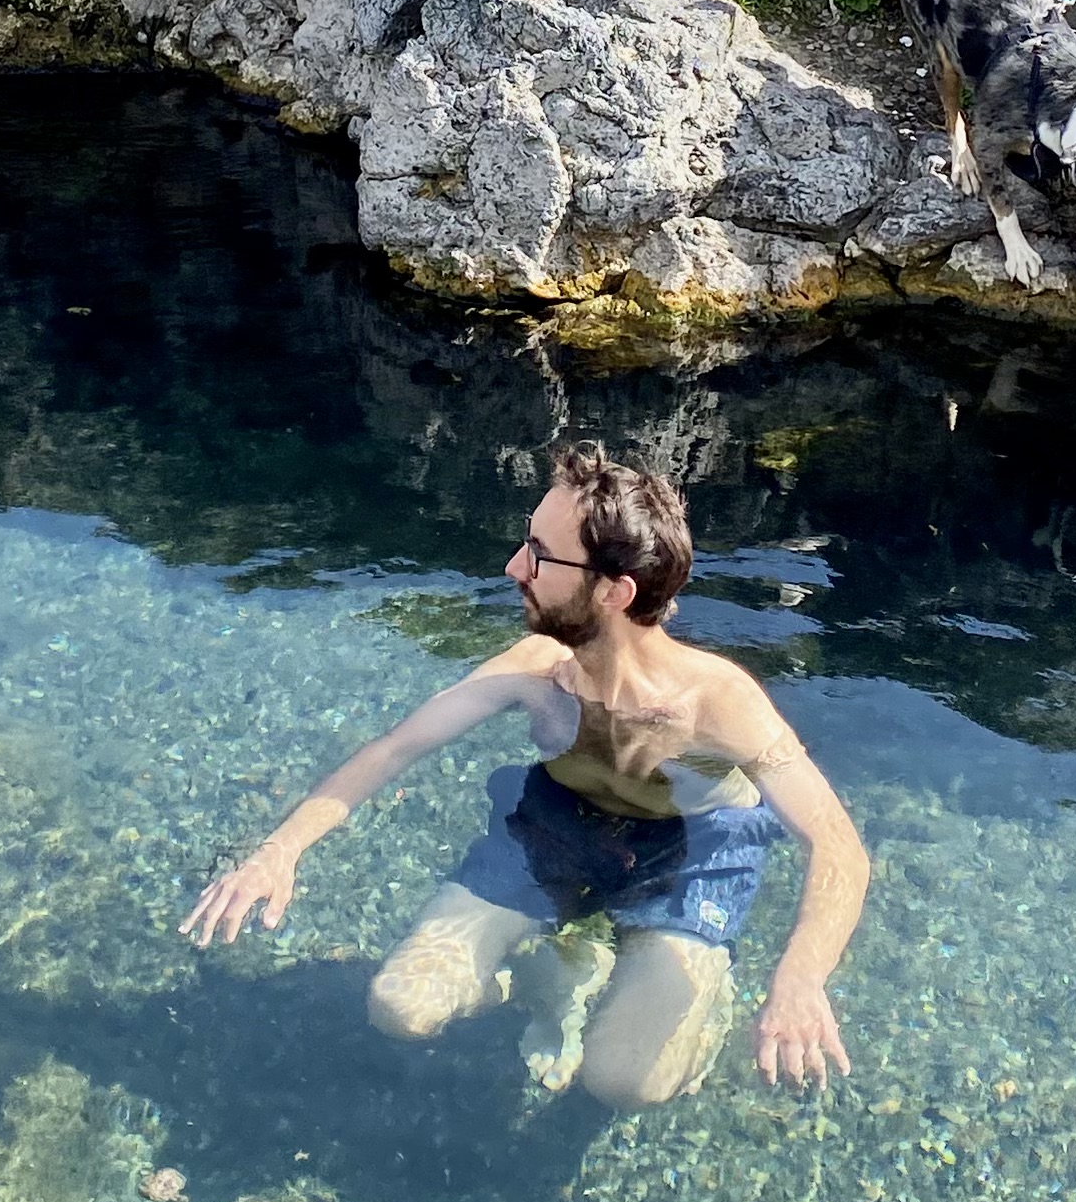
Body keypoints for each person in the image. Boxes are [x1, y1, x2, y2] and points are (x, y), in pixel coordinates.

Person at [181, 443, 868, 1109]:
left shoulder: (718, 703)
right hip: (560, 826)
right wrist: (280, 851)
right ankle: (546, 978)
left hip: (689, 852)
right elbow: (395, 749)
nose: (514, 566)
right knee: (401, 1006)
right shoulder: (538, 670)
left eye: (539, 554)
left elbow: (837, 845)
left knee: (624, 1082)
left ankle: (687, 979)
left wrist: (800, 981)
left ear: (613, 592)